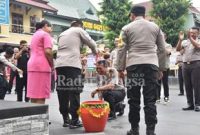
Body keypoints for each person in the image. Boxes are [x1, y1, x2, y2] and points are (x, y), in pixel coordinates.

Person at [116, 6, 166, 135]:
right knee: (150, 99)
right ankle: (150, 130)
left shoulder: (126, 28)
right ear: (144, 14)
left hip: (134, 66)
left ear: (132, 15)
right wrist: (161, 68)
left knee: (134, 99)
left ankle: (134, 129)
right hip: (151, 65)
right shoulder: (155, 27)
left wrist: (120, 68)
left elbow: (121, 49)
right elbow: (162, 49)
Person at [55, 20, 97, 129]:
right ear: (81, 26)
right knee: (74, 91)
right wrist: (94, 51)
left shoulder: (62, 34)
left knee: (62, 91)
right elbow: (91, 42)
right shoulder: (79, 30)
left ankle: (65, 119)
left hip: (60, 65)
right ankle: (74, 120)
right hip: (72, 65)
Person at [27, 20, 53, 104]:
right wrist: (52, 64)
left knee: (34, 94)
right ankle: (40, 116)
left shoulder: (35, 35)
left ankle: (33, 115)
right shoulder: (45, 35)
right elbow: (48, 52)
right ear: (45, 25)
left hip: (32, 65)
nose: (51, 30)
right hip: (42, 66)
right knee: (41, 95)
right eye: (50, 27)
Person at [176, 27, 200, 112]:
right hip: (185, 65)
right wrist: (180, 40)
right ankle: (190, 104)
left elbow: (197, 46)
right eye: (190, 32)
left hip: (196, 64)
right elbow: (178, 50)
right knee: (187, 85)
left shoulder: (198, 40)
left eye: (194, 33)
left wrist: (190, 38)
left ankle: (197, 104)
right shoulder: (185, 42)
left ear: (198, 33)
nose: (192, 34)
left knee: (196, 85)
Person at [157, 34, 172, 103]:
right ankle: (157, 97)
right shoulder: (156, 46)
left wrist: (162, 45)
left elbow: (168, 52)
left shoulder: (168, 45)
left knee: (165, 82)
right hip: (157, 67)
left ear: (165, 38)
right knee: (157, 83)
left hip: (165, 67)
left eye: (162, 37)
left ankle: (166, 96)